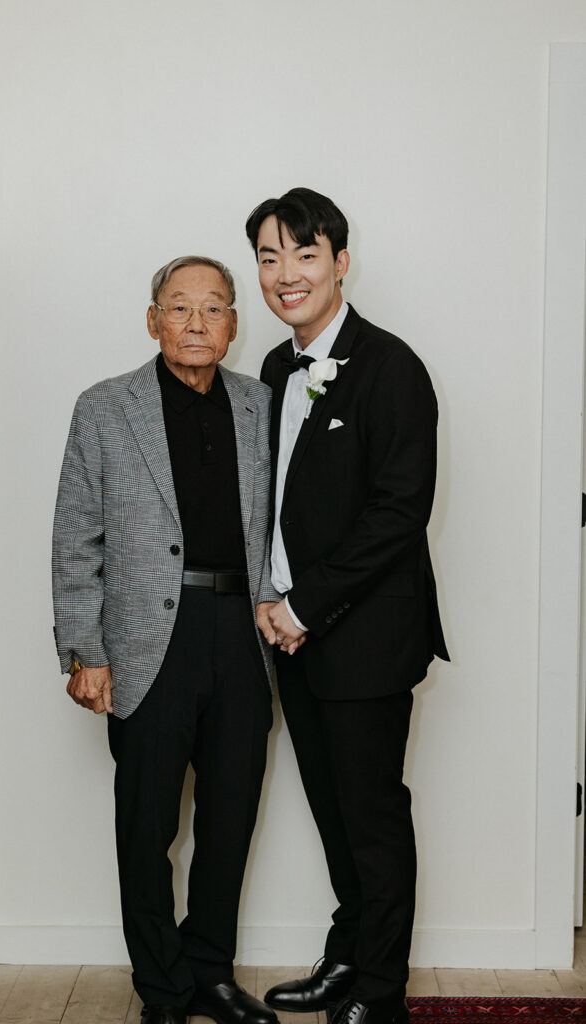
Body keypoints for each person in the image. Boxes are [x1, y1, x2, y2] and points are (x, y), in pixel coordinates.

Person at [52, 256, 281, 1024]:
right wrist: (85, 652)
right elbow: (75, 539)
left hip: (241, 635)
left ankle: (210, 973)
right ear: (152, 320)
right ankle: (161, 987)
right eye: (179, 307)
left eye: (213, 308)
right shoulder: (103, 408)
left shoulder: (260, 405)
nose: (195, 323)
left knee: (228, 818)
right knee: (146, 824)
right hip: (147, 640)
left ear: (233, 325)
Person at [245, 188, 449, 1024]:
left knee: (371, 816)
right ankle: (349, 953)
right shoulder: (273, 367)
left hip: (364, 637)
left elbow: (399, 511)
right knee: (332, 813)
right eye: (268, 257)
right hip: (290, 636)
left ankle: (379, 991)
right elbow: (275, 505)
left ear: (340, 262)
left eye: (303, 253)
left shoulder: (391, 366)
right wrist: (269, 599)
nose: (285, 273)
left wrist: (304, 606)